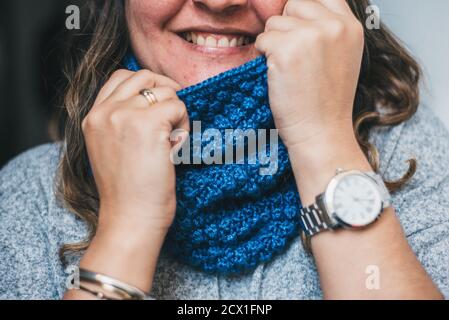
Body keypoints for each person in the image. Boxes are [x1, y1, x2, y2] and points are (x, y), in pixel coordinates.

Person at [1, 0, 448, 300]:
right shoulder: (28, 198)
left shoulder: (411, 153)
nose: (219, 2)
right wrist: (127, 229)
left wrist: (323, 141)